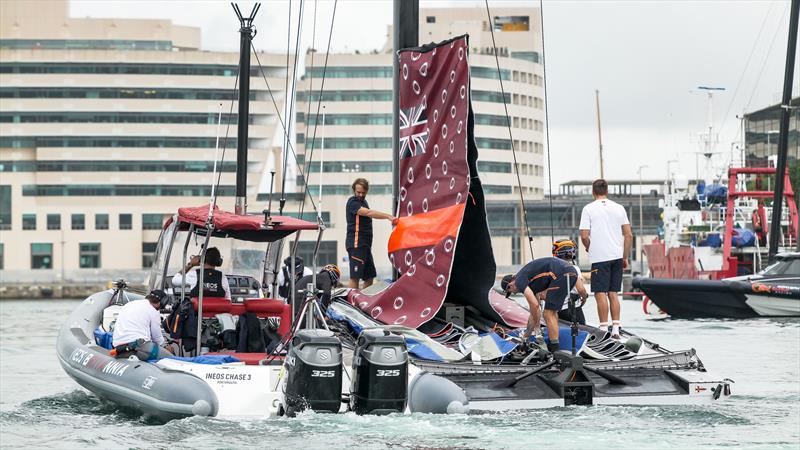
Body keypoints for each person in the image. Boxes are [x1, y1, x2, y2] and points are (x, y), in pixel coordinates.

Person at [579, 179, 632, 339]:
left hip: (599, 257)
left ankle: (603, 328)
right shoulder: (619, 208)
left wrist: (589, 246)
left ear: (593, 192)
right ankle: (615, 328)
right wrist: (625, 257)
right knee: (613, 293)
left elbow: (584, 235)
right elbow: (628, 234)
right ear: (607, 191)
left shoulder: (588, 209)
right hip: (616, 256)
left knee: (600, 293)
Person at [501, 257, 587, 353]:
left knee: (548, 313)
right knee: (552, 311)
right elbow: (534, 311)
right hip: (571, 271)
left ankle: (555, 349)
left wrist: (536, 332)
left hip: (559, 274)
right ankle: (555, 343)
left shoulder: (519, 281)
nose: (514, 293)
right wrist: (584, 295)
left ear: (510, 285)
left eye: (511, 291)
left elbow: (535, 306)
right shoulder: (530, 281)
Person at [346, 178, 397, 289]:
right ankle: (349, 304)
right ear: (354, 190)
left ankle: (364, 301)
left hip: (366, 246)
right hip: (356, 244)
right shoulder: (353, 203)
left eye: (363, 193)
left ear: (367, 191)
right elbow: (369, 212)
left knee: (370, 275)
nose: (360, 194)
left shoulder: (364, 202)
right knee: (355, 276)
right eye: (358, 192)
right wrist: (388, 216)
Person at [111, 290, 173, 360]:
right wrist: (166, 347)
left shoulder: (129, 304)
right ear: (161, 302)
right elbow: (157, 337)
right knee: (171, 359)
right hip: (137, 348)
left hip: (118, 349)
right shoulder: (153, 311)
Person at [552, 239, 589, 325]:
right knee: (581, 331)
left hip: (554, 310)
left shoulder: (551, 268)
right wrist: (584, 298)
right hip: (572, 309)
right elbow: (581, 290)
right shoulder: (574, 268)